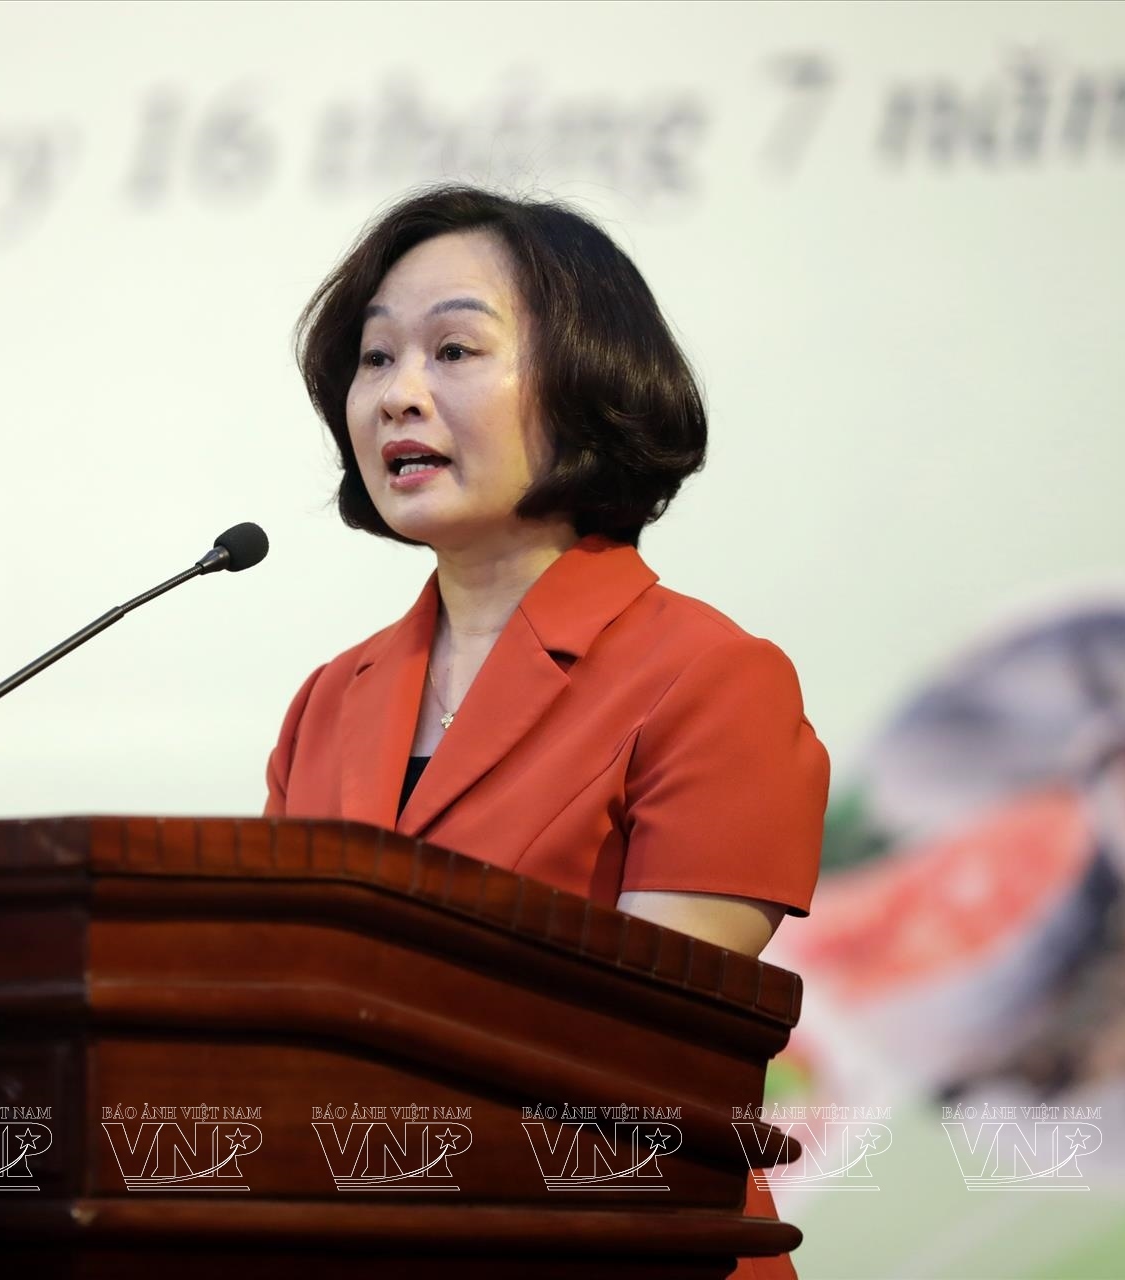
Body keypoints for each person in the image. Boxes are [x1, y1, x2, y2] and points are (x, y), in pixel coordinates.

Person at [263, 184, 828, 1280]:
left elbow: (649, 1056)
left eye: (454, 351)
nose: (398, 394)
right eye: (375, 359)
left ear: (586, 382)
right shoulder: (328, 701)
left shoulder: (711, 679)